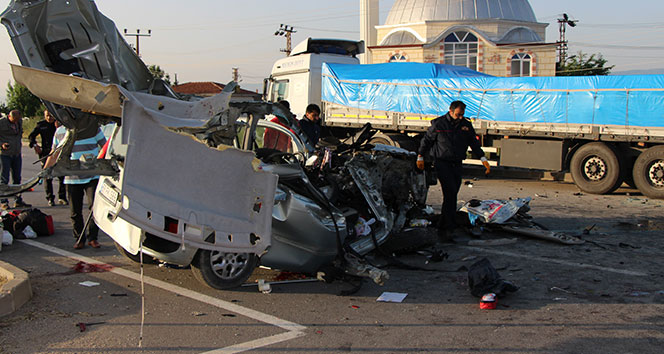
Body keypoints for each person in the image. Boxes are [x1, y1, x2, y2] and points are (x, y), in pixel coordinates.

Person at [417, 101, 490, 242]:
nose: (461, 117)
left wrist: (483, 158)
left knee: (453, 194)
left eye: (462, 114)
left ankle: (443, 224)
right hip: (442, 163)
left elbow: (473, 143)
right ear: (450, 111)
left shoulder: (465, 126)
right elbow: (426, 141)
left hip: (457, 164)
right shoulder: (439, 124)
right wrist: (420, 156)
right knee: (450, 193)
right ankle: (447, 229)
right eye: (458, 114)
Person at [50, 124, 107, 249]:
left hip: (92, 175)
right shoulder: (60, 132)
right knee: (75, 211)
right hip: (72, 178)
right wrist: (46, 170)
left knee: (95, 208)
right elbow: (54, 153)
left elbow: (106, 146)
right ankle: (79, 238)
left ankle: (93, 237)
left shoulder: (93, 128)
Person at [28, 110, 67, 206]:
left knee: (62, 176)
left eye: (51, 116)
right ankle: (50, 197)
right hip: (46, 153)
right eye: (47, 116)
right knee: (47, 176)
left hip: (59, 152)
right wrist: (35, 145)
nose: (49, 118)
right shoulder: (41, 125)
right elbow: (31, 136)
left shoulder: (61, 125)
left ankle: (62, 197)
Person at [0, 110, 31, 209]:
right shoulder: (1, 123)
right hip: (4, 154)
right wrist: (1, 145)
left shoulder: (19, 122)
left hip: (16, 154)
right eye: (14, 120)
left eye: (17, 120)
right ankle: (3, 201)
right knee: (4, 179)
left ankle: (18, 200)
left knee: (17, 178)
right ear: (9, 116)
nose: (15, 122)